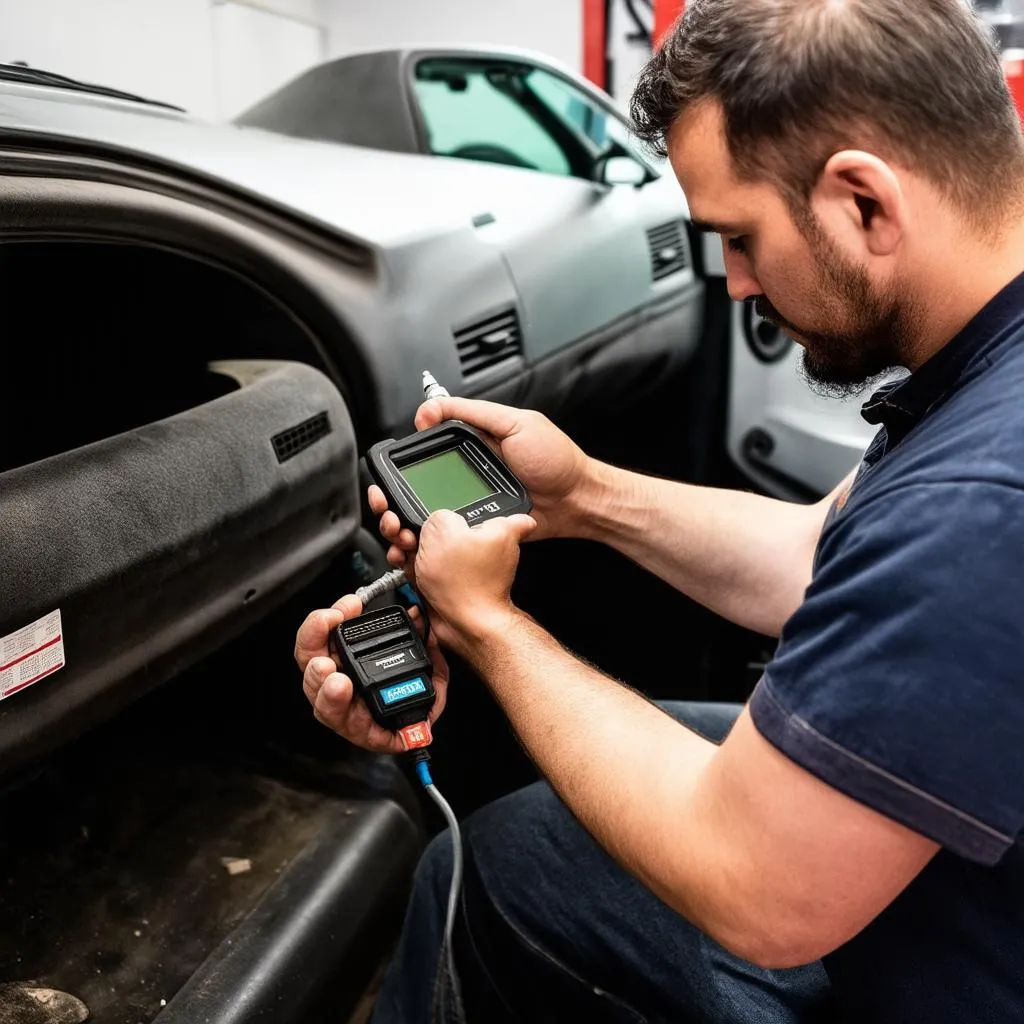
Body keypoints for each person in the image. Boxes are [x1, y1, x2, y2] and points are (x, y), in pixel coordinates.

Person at [295, 0, 1024, 1019]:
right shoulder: (988, 369)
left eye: (740, 236)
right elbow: (822, 554)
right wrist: (581, 494)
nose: (730, 283)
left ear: (864, 201)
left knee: (469, 876)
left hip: (935, 969)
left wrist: (487, 623)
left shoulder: (980, 501)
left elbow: (754, 890)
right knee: (526, 838)